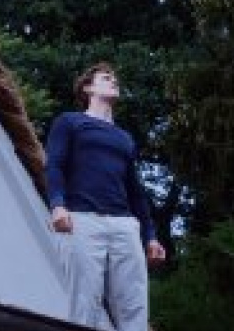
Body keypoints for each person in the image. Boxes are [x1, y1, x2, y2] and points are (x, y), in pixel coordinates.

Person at [46, 62, 166, 331]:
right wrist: (57, 205)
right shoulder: (70, 122)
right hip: (81, 220)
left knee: (134, 305)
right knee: (85, 302)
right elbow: (54, 165)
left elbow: (135, 190)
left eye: (114, 79)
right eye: (105, 78)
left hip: (124, 224)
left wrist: (150, 235)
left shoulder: (124, 137)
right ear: (87, 88)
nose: (113, 81)